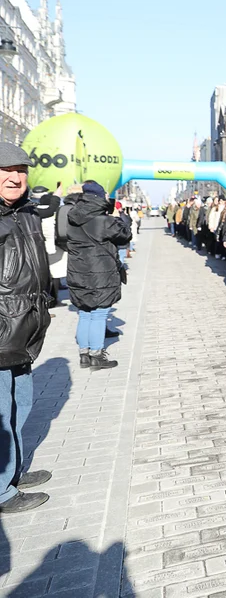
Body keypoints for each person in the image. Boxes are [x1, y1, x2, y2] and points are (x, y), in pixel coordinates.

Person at [0, 143, 54, 514]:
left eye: (21, 169)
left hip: (27, 327)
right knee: (0, 413)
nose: (15, 177)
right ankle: (2, 490)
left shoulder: (28, 214)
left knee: (22, 403)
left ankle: (13, 471)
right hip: (2, 327)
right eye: (6, 170)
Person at [60, 180, 131, 371]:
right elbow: (125, 235)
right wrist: (117, 216)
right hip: (101, 273)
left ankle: (84, 355)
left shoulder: (72, 217)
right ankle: (97, 355)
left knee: (84, 312)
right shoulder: (104, 221)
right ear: (99, 198)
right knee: (99, 314)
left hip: (78, 271)